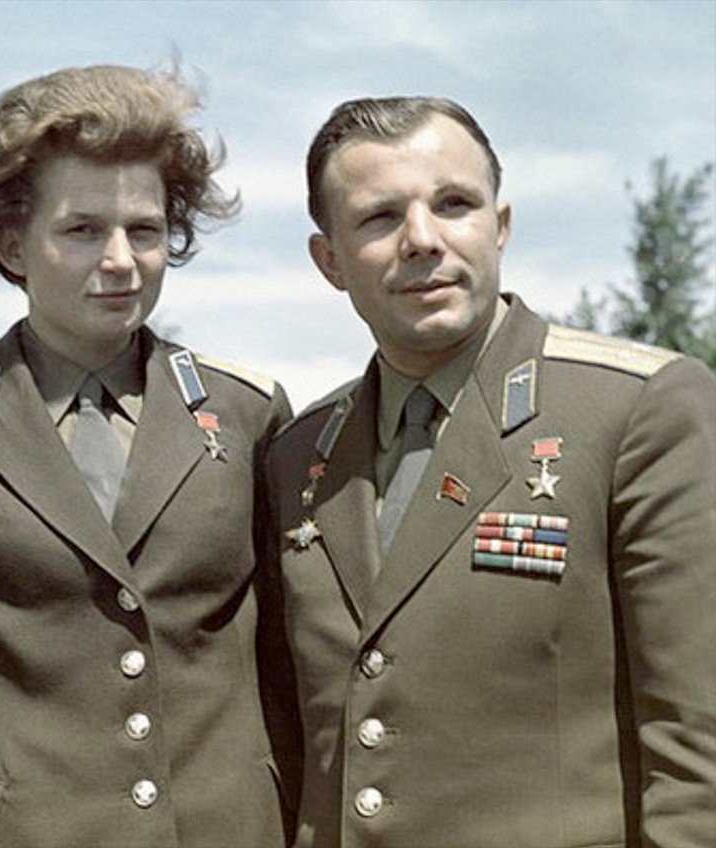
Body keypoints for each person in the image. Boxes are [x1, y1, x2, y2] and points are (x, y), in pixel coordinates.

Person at [268, 96, 716, 847]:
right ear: (329, 261)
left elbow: (698, 742)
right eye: (380, 217)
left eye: (454, 205)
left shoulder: (636, 409)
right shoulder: (298, 452)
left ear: (500, 227)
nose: (422, 240)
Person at [0, 64, 294, 847]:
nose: (120, 260)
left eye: (144, 230)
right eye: (81, 230)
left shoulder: (247, 413)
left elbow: (289, 652)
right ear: (11, 242)